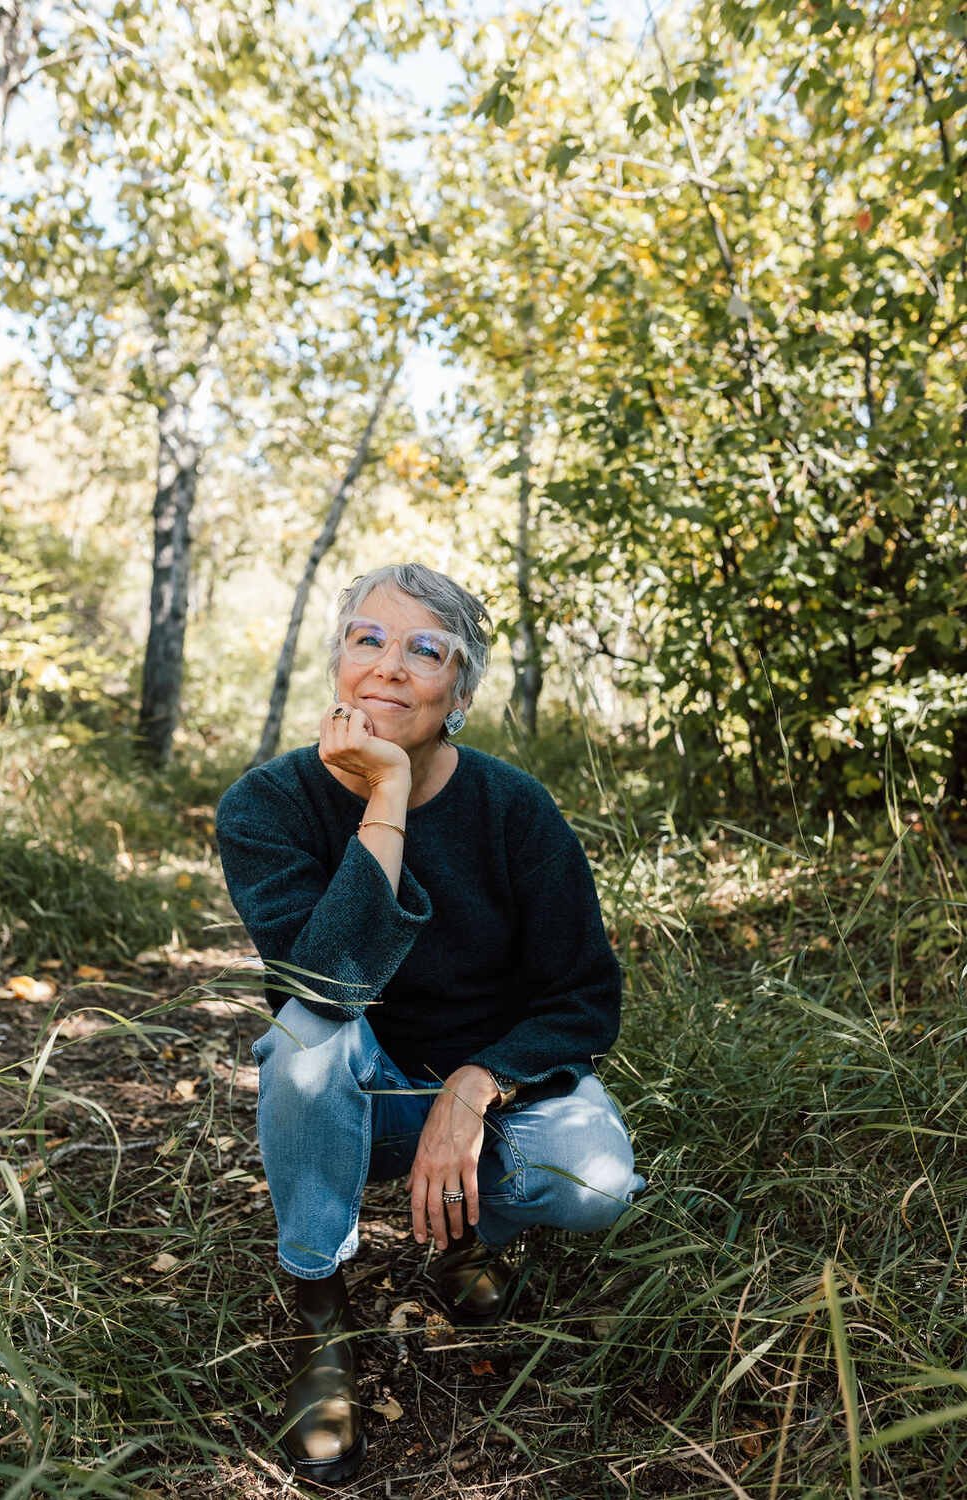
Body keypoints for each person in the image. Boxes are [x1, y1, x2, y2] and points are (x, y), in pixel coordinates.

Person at [216, 563, 645, 1486]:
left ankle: (460, 1235)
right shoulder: (267, 805)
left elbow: (583, 996)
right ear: (337, 661)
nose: (389, 667)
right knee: (299, 1039)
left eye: (425, 649)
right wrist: (387, 800)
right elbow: (327, 984)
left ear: (460, 687)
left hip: (480, 1086)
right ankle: (321, 1310)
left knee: (597, 1180)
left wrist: (477, 1084)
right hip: (352, 1095)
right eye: (366, 638)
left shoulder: (514, 808)